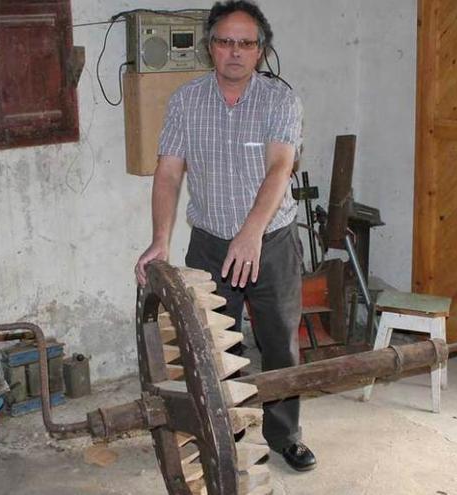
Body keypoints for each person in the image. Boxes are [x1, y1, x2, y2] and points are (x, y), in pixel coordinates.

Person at [134, 0, 316, 472]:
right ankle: (229, 431)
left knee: (279, 343)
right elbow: (169, 173)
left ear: (261, 51)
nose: (235, 52)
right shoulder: (185, 101)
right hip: (211, 244)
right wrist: (160, 240)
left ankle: (285, 434)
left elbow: (280, 168)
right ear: (209, 47)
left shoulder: (280, 100)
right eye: (224, 41)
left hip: (270, 242)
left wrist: (251, 233)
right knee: (216, 344)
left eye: (246, 43)